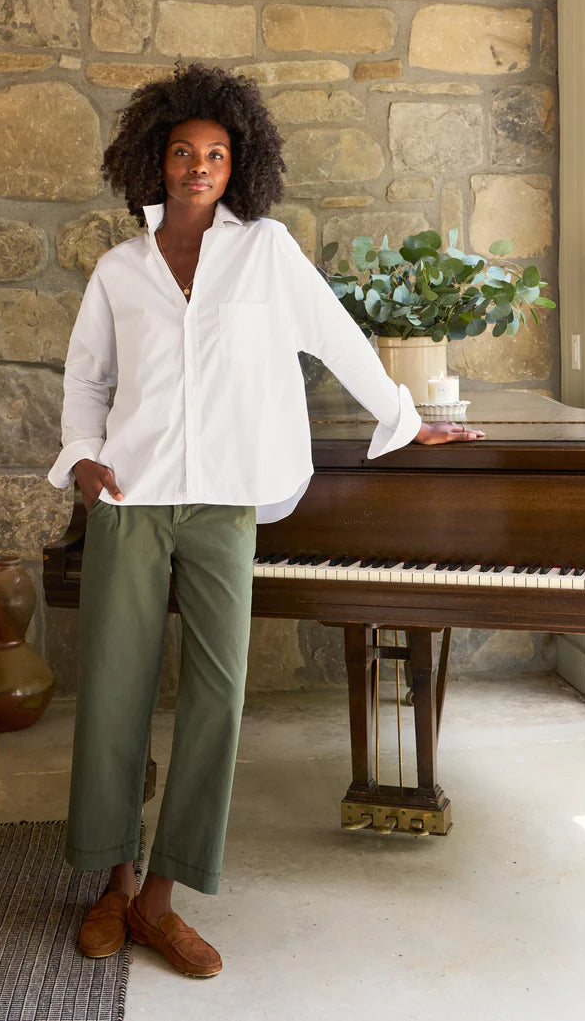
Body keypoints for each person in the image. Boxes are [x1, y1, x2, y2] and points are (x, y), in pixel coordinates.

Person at [47, 63, 483, 979]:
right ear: (154, 162)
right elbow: (86, 376)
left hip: (224, 503)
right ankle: (113, 885)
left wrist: (408, 417)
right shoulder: (120, 269)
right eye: (181, 152)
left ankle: (163, 898)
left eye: (215, 153)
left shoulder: (269, 252)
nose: (197, 166)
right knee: (114, 692)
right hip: (131, 498)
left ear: (236, 163)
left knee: (218, 698)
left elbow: (336, 336)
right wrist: (81, 457)